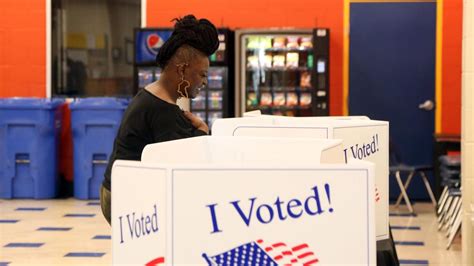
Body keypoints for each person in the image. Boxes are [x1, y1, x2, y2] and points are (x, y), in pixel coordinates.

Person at [100, 14, 219, 225]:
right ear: (182, 70)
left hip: (116, 189)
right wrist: (202, 131)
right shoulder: (161, 109)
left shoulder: (152, 95)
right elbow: (184, 163)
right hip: (124, 197)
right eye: (202, 74)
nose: (204, 82)